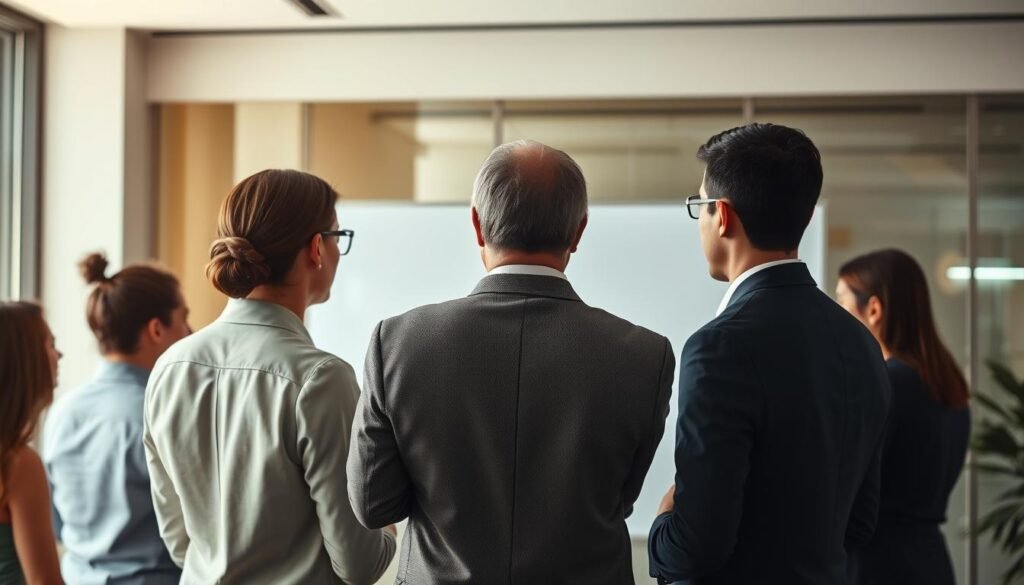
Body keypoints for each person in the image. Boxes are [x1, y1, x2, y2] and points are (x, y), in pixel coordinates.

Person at [348, 140, 674, 584]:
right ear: (579, 231)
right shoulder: (644, 355)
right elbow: (618, 500)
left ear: (477, 225)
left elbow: (374, 506)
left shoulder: (398, 342)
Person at [647, 123, 891, 585]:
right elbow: (858, 524)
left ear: (722, 216)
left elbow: (696, 548)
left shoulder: (719, 347)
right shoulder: (861, 343)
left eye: (700, 206)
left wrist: (662, 523)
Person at [143, 169, 395, 585]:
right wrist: (386, 525)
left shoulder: (169, 368)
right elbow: (359, 565)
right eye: (337, 236)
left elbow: (180, 544)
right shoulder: (320, 379)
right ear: (316, 248)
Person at [43, 254, 190, 585]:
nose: (190, 333)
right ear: (156, 329)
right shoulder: (163, 414)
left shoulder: (62, 413)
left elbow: (56, 524)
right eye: (184, 319)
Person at [836, 249, 970, 585]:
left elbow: (847, 488)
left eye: (840, 302)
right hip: (931, 562)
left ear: (874, 309)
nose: (834, 316)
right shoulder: (948, 383)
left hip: (876, 567)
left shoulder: (886, 383)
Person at [0, 302, 63, 585]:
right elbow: (44, 581)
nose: (59, 355)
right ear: (24, 361)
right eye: (51, 345)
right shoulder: (18, 463)